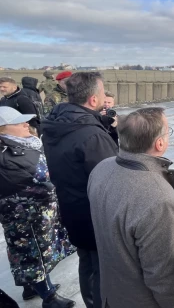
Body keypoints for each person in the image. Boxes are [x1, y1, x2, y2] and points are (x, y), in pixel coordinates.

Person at [88, 107, 174, 308]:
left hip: (110, 293)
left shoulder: (101, 168)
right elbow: (164, 277)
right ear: (159, 143)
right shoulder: (158, 199)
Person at [42, 72, 118, 308]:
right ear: (93, 100)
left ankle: (90, 301)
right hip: (94, 214)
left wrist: (102, 124)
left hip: (71, 207)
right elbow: (111, 181)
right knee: (102, 269)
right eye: (103, 93)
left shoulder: (57, 122)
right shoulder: (92, 136)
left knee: (86, 261)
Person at [0, 107, 76, 308]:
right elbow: (20, 181)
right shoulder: (4, 152)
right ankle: (48, 297)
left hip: (40, 212)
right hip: (23, 216)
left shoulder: (26, 143)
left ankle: (34, 286)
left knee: (39, 253)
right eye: (18, 123)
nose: (26, 124)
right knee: (32, 254)